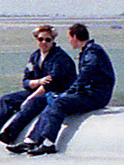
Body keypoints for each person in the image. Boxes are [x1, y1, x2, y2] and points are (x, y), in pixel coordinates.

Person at [8, 22, 114, 155]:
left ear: (75, 37)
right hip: (88, 93)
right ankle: (31, 140)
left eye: (70, 38)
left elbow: (87, 74)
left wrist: (69, 93)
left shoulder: (93, 51)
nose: (70, 42)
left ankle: (49, 142)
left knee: (59, 103)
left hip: (96, 96)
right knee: (48, 100)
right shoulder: (88, 52)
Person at [0, 24, 75, 144]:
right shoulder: (35, 56)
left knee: (32, 103)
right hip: (38, 89)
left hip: (55, 93)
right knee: (7, 99)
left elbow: (50, 84)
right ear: (36, 40)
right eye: (40, 39)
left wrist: (30, 97)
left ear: (53, 41)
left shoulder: (59, 58)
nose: (44, 42)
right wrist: (38, 82)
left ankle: (10, 133)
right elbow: (26, 81)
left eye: (48, 40)